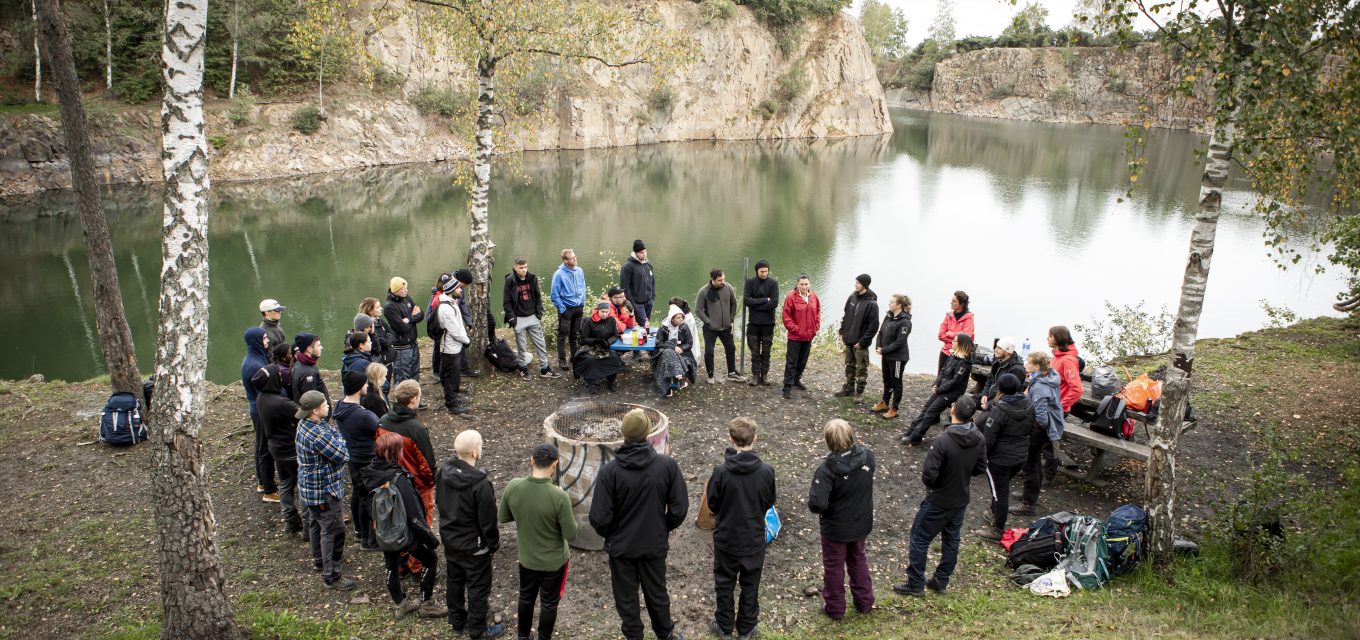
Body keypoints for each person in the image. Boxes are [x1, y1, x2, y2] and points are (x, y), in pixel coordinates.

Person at [589, 409, 688, 640]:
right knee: (657, 592)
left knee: (626, 597)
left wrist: (613, 534)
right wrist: (663, 527)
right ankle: (665, 634)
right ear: (647, 433)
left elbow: (599, 517)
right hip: (653, 544)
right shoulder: (666, 466)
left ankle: (634, 636)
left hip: (621, 549)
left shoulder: (609, 471)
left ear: (624, 433)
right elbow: (680, 508)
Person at [892, 396, 986, 597]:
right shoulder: (978, 437)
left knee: (919, 538)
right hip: (960, 498)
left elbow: (929, 475)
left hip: (938, 500)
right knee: (951, 540)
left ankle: (915, 583)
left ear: (953, 411)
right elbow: (980, 467)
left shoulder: (943, 440)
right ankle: (941, 580)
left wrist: (938, 485)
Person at [359, 432, 444, 619]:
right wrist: (429, 538)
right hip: (404, 534)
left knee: (391, 566)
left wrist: (370, 534)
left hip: (383, 532)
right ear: (395, 452)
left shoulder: (369, 474)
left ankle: (400, 603)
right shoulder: (399, 479)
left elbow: (363, 506)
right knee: (430, 560)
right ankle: (426, 602)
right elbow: (413, 516)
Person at [499, 443, 578, 640]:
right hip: (554, 563)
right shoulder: (559, 496)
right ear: (556, 464)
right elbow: (571, 534)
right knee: (549, 603)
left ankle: (522, 636)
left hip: (527, 560)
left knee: (526, 597)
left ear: (532, 461)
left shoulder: (513, 486)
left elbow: (503, 517)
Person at [706, 417, 776, 640]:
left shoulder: (721, 472)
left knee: (724, 583)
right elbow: (769, 501)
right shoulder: (766, 471)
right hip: (753, 538)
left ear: (731, 439)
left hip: (727, 538)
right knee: (750, 584)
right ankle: (746, 628)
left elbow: (713, 504)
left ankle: (725, 626)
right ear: (755, 439)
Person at [436, 430, 504, 638]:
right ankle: (477, 630)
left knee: (454, 582)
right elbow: (488, 521)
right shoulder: (480, 485)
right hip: (474, 548)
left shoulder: (442, 473)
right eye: (481, 445)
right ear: (475, 452)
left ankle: (457, 622)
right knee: (478, 589)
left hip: (450, 541)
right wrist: (492, 545)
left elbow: (439, 502)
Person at [807, 419, 875, 620]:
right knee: (858, 559)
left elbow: (817, 503)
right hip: (860, 522)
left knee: (834, 567)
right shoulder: (867, 456)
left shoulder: (826, 471)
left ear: (828, 441)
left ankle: (835, 608)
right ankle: (865, 602)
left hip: (835, 529)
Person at [294, 390, 355, 590]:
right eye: (324, 405)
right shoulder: (318, 434)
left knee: (315, 524)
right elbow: (343, 454)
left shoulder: (306, 424)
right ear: (314, 410)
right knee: (334, 531)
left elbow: (335, 435)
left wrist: (337, 439)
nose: (328, 406)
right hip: (324, 490)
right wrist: (341, 442)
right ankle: (332, 576)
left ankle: (319, 560)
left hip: (309, 489)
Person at [377, 380, 438, 573]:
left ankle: (401, 562)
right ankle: (418, 566)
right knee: (420, 525)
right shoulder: (416, 429)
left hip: (391, 482)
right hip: (417, 486)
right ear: (413, 399)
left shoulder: (383, 421)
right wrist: (429, 484)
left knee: (396, 522)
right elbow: (426, 464)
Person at [975, 373, 1034, 541]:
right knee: (1002, 488)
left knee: (999, 493)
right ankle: (994, 512)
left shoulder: (999, 411)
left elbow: (989, 439)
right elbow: (1032, 427)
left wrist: (983, 457)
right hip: (1020, 455)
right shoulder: (1029, 405)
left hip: (1000, 459)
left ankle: (998, 528)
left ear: (1000, 389)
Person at [251, 364, 304, 535]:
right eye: (278, 375)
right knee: (304, 484)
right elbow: (303, 414)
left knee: (286, 484)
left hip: (275, 448)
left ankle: (290, 520)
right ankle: (309, 522)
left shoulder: (261, 397)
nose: (282, 376)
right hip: (290, 449)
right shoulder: (280, 402)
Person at [1014, 351, 1064, 517]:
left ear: (1037, 366)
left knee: (1030, 464)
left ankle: (1028, 504)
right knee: (1034, 463)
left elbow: (1041, 415)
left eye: (1028, 363)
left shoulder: (1041, 387)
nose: (1025, 366)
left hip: (1039, 428)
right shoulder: (1048, 376)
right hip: (1045, 427)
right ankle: (1030, 493)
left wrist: (1034, 425)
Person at [334, 370, 380, 550]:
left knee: (358, 493)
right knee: (369, 498)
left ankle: (360, 531)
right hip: (366, 458)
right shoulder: (363, 415)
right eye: (365, 384)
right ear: (359, 387)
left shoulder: (339, 406)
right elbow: (380, 430)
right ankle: (368, 540)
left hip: (352, 456)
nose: (367, 386)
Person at [903, 334, 975, 445]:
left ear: (961, 344)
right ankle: (910, 432)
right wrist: (936, 384)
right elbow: (942, 371)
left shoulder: (964, 363)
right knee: (926, 408)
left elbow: (955, 382)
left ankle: (915, 437)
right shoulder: (952, 356)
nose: (952, 342)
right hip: (942, 389)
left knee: (931, 412)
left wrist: (939, 389)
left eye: (955, 341)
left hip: (951, 392)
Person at [504, 257, 561, 380]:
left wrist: (538, 314)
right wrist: (513, 320)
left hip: (533, 317)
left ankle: (545, 369)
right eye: (521, 268)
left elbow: (538, 296)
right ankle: (523, 369)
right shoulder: (510, 280)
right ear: (515, 267)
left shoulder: (532, 278)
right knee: (521, 346)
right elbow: (507, 302)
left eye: (525, 267)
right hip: (519, 318)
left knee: (541, 343)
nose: (524, 270)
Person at [242, 327, 278, 502]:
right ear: (256, 341)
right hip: (260, 410)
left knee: (260, 445)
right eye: (264, 339)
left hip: (257, 407)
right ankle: (269, 490)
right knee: (265, 448)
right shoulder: (255, 364)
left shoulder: (256, 358)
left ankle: (263, 482)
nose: (267, 341)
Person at [836, 275, 880, 399]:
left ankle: (859, 392)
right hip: (849, 339)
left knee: (861, 368)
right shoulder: (852, 297)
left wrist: (863, 342)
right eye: (856, 282)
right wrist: (842, 332)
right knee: (849, 365)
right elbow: (846, 316)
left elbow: (873, 326)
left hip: (860, 343)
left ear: (865, 285)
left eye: (858, 283)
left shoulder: (872, 304)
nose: (855, 285)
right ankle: (849, 388)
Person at [696, 268, 741, 384]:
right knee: (709, 351)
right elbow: (698, 310)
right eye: (720, 280)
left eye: (723, 279)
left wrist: (731, 319)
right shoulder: (703, 291)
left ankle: (731, 373)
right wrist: (708, 322)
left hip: (726, 326)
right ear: (713, 280)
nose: (722, 282)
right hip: (710, 328)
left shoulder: (728, 287)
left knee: (731, 348)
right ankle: (710, 375)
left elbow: (734, 303)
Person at [436, 275, 472, 416]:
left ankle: (454, 398)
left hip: (454, 346)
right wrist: (466, 340)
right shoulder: (446, 308)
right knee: (451, 377)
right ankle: (452, 404)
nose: (460, 290)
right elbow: (455, 331)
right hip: (450, 348)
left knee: (453, 375)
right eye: (457, 287)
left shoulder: (451, 303)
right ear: (451, 289)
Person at [872, 294, 912, 420]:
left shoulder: (905, 322)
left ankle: (894, 408)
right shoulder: (888, 316)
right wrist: (878, 346)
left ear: (899, 305)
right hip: (886, 355)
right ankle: (884, 402)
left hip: (897, 358)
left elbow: (900, 341)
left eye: (892, 302)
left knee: (896, 382)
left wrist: (885, 349)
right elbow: (881, 332)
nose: (889, 304)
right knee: (886, 379)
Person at [781, 274, 821, 399]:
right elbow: (786, 317)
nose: (804, 286)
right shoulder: (791, 297)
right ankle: (787, 386)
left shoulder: (813, 297)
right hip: (795, 337)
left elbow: (818, 312)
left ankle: (796, 380)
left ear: (809, 284)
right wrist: (796, 329)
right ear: (797, 284)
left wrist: (816, 326)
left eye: (806, 284)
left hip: (808, 336)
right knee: (791, 362)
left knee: (803, 360)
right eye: (801, 284)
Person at [383, 276, 425, 390]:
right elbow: (402, 328)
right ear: (396, 290)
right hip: (402, 348)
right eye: (403, 288)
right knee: (403, 377)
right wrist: (413, 317)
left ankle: (414, 397)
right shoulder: (389, 307)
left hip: (413, 344)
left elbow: (421, 314)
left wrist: (409, 319)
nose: (406, 290)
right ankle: (402, 403)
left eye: (406, 287)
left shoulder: (407, 299)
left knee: (414, 374)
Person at [574, 302, 625, 394]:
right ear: (598, 311)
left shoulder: (611, 320)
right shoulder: (589, 321)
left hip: (604, 345)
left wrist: (608, 342)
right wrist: (596, 340)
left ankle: (611, 382)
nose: (605, 314)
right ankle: (590, 383)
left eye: (607, 312)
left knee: (614, 358)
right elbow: (583, 339)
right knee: (590, 360)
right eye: (603, 312)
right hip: (590, 346)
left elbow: (615, 335)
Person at [743, 260, 779, 387]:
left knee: (766, 352)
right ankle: (755, 376)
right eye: (762, 271)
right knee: (754, 351)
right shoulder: (750, 283)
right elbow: (747, 301)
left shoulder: (773, 283)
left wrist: (756, 305)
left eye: (766, 271)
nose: (764, 274)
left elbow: (774, 303)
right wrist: (764, 300)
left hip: (768, 323)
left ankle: (764, 375)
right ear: (757, 271)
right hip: (753, 323)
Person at [550, 249, 587, 371]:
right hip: (566, 309)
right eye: (572, 258)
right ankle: (562, 360)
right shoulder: (559, 274)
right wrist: (562, 309)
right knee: (562, 335)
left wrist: (582, 302)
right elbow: (554, 295)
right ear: (565, 261)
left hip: (578, 308)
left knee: (575, 334)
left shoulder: (579, 271)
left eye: (575, 257)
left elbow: (583, 286)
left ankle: (574, 357)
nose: (575, 259)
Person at [651, 305, 697, 397]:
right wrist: (672, 347)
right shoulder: (663, 328)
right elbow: (659, 343)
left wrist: (681, 348)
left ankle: (669, 385)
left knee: (668, 356)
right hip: (664, 352)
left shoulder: (684, 326)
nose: (681, 319)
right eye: (678, 318)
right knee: (668, 353)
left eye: (681, 317)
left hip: (682, 352)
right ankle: (679, 376)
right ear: (672, 319)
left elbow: (689, 343)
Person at [976, 336, 1026, 411]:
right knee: (964, 402)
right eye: (996, 347)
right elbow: (990, 380)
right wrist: (984, 394)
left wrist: (990, 405)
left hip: (1000, 406)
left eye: (999, 348)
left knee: (982, 420)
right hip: (988, 397)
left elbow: (1009, 396)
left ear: (1007, 351)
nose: (995, 350)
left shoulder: (1017, 370)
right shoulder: (998, 360)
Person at [620, 239, 656, 328]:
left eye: (645, 251)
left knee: (646, 327)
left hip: (648, 302)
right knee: (644, 325)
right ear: (635, 253)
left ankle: (642, 340)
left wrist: (652, 298)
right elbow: (625, 287)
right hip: (637, 303)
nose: (644, 254)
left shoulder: (648, 264)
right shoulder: (628, 266)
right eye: (641, 252)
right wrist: (632, 304)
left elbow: (653, 282)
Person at [936, 291, 974, 373]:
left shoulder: (969, 318)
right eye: (952, 300)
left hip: (959, 355)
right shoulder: (949, 315)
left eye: (954, 301)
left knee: (954, 380)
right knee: (940, 378)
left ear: (961, 304)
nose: (951, 303)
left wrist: (950, 334)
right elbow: (940, 335)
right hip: (945, 352)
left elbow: (967, 336)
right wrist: (956, 341)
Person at [1048, 326, 1083, 414]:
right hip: (1046, 405)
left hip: (1055, 410)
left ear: (1058, 338)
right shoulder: (1056, 356)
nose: (1047, 338)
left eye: (1050, 336)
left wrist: (1060, 406)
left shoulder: (1068, 360)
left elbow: (1077, 389)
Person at [359, 297, 395, 375]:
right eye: (378, 307)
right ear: (370, 310)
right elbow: (384, 343)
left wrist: (388, 337)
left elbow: (393, 334)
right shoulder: (368, 326)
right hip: (379, 362)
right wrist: (388, 337)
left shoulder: (380, 321)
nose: (381, 308)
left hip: (388, 359)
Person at [290, 333, 328, 402]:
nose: (321, 347)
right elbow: (312, 402)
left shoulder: (299, 363)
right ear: (309, 349)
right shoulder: (308, 373)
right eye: (318, 345)